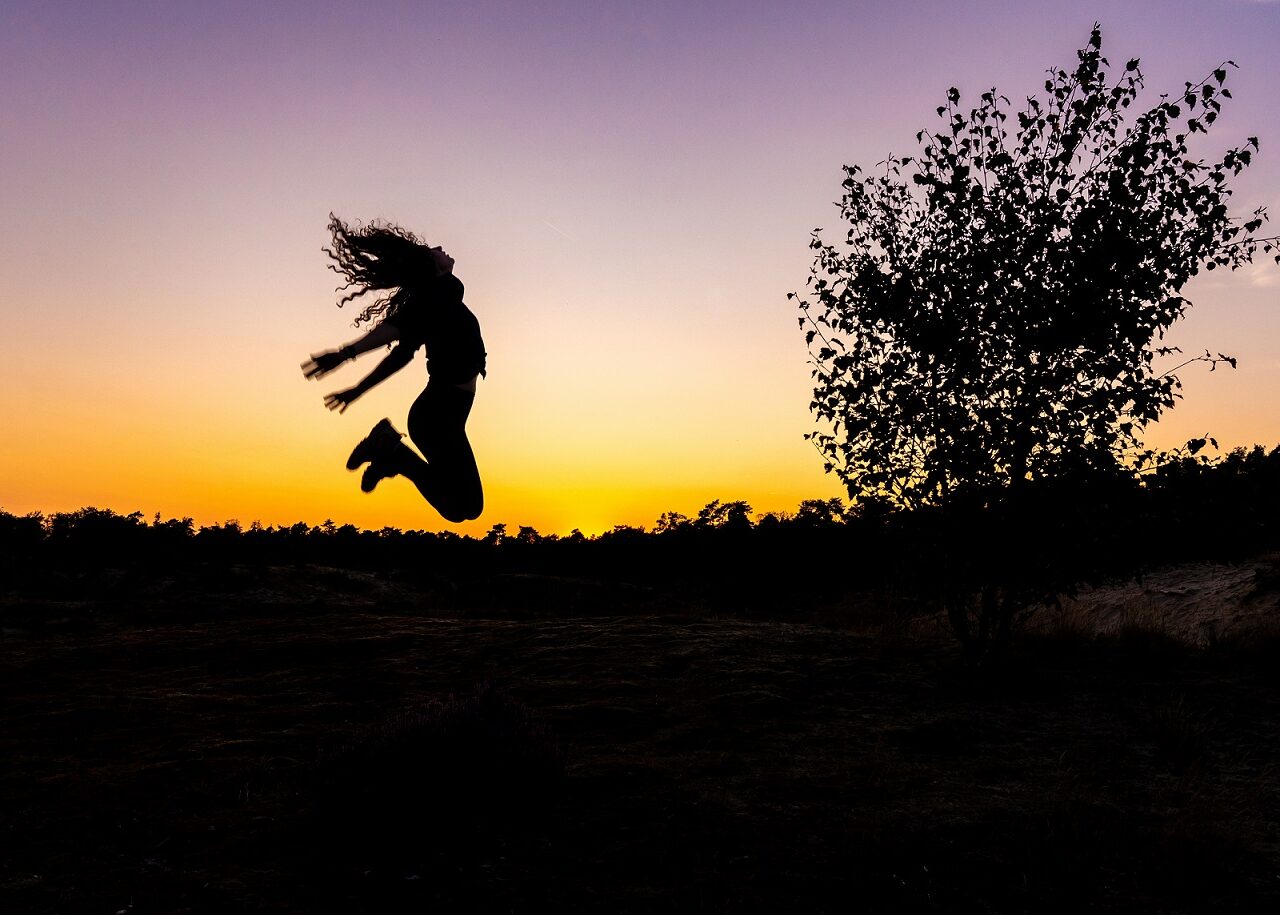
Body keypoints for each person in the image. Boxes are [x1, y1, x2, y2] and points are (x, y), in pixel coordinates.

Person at [301, 215, 486, 523]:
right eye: (432, 249)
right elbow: (393, 330)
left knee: (463, 507)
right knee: (464, 508)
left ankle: (391, 452)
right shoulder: (435, 297)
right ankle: (391, 452)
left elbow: (401, 356)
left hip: (443, 415)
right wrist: (346, 354)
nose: (441, 247)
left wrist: (357, 389)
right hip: (437, 416)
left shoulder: (442, 300)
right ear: (430, 266)